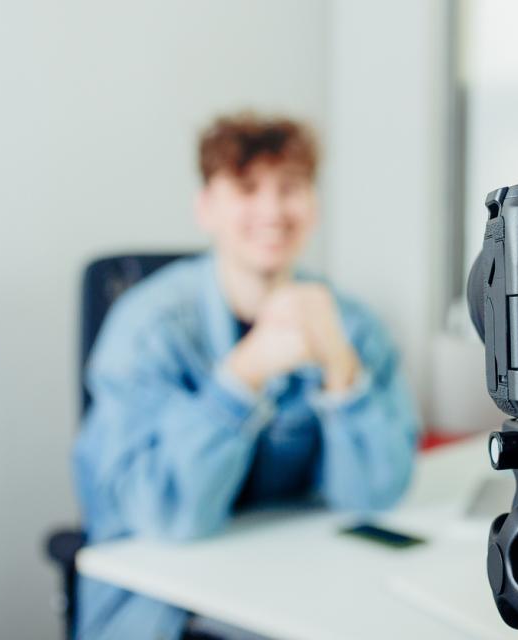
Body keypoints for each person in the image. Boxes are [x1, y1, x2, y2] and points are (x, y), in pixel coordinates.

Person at [72, 113, 420, 639]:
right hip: (162, 602)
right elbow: (171, 517)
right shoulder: (146, 328)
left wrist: (340, 366)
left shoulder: (349, 323)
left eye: (291, 188)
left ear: (314, 205)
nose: (272, 210)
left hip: (292, 585)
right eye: (248, 188)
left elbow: (374, 494)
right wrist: (244, 374)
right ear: (206, 207)